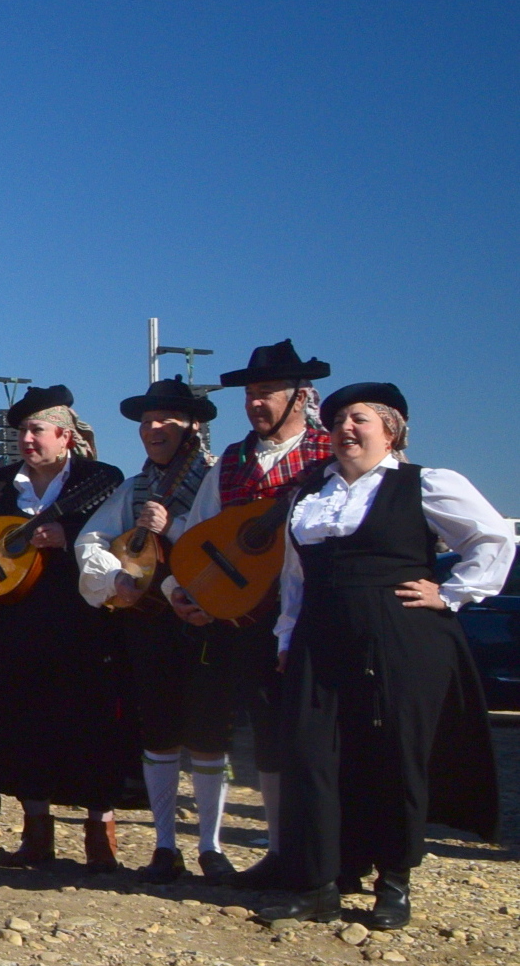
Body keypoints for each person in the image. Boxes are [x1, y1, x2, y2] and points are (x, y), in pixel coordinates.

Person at [255, 383, 508, 930]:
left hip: (402, 637)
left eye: (360, 418)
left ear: (391, 429)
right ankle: (321, 882)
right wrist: (285, 637)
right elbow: (293, 578)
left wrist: (452, 593)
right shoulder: (309, 495)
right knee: (313, 755)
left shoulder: (425, 484)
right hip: (319, 638)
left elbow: (492, 539)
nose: (346, 427)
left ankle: (393, 882)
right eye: (339, 418)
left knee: (395, 754)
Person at [0, 386, 131, 871]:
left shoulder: (100, 480)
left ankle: (100, 835)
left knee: (90, 725)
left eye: (36, 430)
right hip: (15, 621)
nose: (26, 439)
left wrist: (67, 539)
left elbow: (117, 540)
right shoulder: (0, 485)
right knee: (24, 722)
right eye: (21, 430)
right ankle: (37, 832)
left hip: (81, 621)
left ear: (65, 436)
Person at [73, 380, 226, 882]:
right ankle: (165, 845)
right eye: (146, 421)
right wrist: (118, 578)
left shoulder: (217, 478)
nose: (152, 429)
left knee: (207, 734)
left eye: (165, 420)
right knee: (158, 730)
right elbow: (90, 538)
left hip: (206, 618)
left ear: (192, 427)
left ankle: (210, 845)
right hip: (150, 622)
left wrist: (171, 531)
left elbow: (226, 545)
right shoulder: (133, 489)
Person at [211, 340, 338, 890]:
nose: (255, 405)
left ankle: (336, 857)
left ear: (301, 397)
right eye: (250, 395)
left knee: (323, 735)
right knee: (267, 734)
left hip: (320, 616)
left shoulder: (337, 452)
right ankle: (282, 850)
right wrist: (186, 588)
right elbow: (202, 531)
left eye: (266, 394)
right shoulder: (233, 460)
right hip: (251, 618)